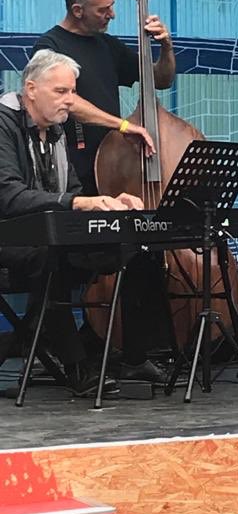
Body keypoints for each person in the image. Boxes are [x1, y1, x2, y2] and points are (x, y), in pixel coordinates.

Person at [0, 50, 146, 392]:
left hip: (49, 237)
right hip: (10, 239)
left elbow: (74, 190)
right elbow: (9, 196)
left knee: (133, 249)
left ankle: (132, 359)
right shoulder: (3, 124)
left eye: (73, 92)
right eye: (61, 92)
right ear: (31, 89)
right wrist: (79, 202)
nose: (70, 101)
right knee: (51, 262)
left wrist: (110, 204)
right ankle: (78, 368)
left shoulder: (55, 130)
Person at [34, 0, 175, 195]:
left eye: (112, 5)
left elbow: (160, 80)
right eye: (103, 9)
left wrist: (166, 46)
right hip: (73, 170)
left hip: (114, 166)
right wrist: (122, 125)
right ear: (77, 10)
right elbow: (67, 101)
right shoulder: (49, 47)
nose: (113, 14)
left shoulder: (108, 46)